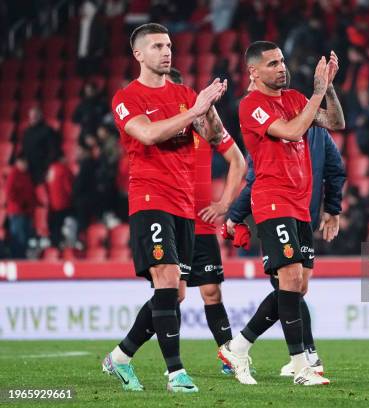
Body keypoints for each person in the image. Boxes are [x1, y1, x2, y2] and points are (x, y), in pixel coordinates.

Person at [102, 22, 227, 393]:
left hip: (183, 202)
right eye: (157, 46)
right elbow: (149, 133)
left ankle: (121, 357)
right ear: (139, 54)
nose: (166, 51)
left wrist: (209, 110)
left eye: (169, 45)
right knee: (168, 280)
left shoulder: (186, 93)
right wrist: (195, 110)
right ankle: (176, 374)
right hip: (149, 197)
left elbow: (216, 137)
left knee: (175, 292)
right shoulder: (127, 97)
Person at [218, 41, 344, 386]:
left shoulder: (294, 99)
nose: (281, 67)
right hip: (273, 201)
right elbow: (291, 130)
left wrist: (328, 87)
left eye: (283, 61)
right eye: (273, 63)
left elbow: (335, 121)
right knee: (289, 279)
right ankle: (302, 367)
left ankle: (239, 345)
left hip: (300, 204)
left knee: (298, 286)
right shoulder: (251, 106)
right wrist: (317, 91)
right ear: (254, 71)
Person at [167, 69, 247, 374]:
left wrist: (225, 204)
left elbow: (238, 161)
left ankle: (229, 357)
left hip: (201, 225)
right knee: (174, 294)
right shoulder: (162, 131)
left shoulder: (204, 127)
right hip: (175, 223)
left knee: (212, 292)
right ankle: (171, 364)